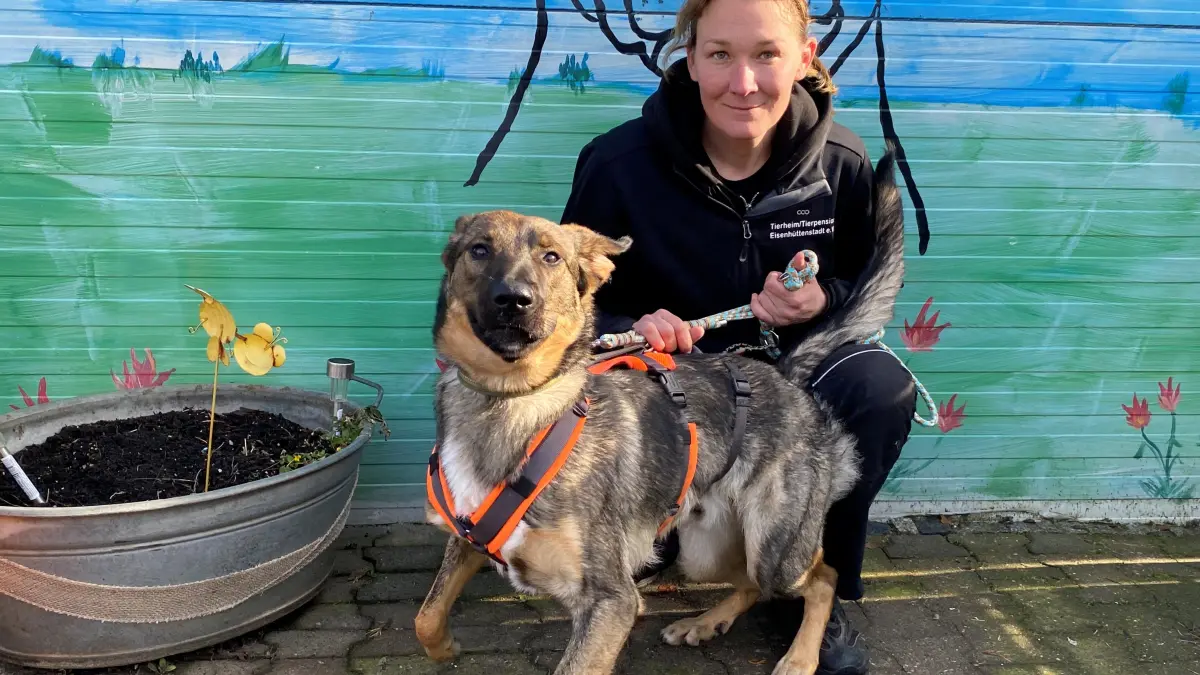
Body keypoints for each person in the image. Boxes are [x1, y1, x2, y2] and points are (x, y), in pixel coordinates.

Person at [559, 0, 916, 672]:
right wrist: (630, 326)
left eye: (766, 55)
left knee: (878, 388)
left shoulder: (840, 161)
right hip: (671, 392)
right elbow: (565, 306)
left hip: (795, 376)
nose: (742, 82)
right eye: (720, 54)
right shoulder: (616, 163)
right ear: (690, 59)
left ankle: (810, 583)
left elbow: (860, 287)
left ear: (804, 58)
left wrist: (820, 298)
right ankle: (657, 545)